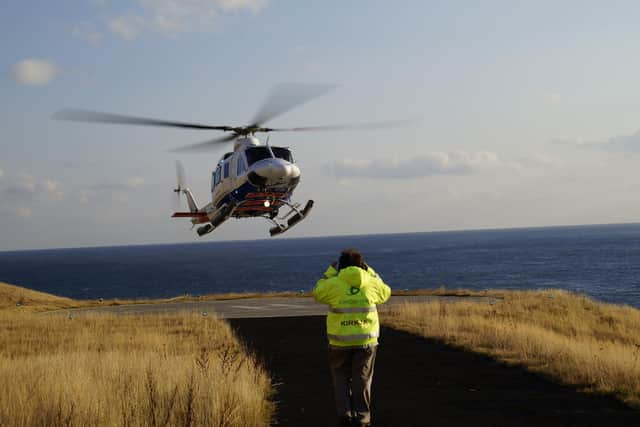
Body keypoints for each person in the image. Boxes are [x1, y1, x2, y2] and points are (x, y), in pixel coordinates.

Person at [313, 248, 391, 427]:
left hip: (339, 341)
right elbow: (386, 292)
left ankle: (345, 415)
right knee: (362, 379)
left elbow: (317, 292)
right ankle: (363, 417)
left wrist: (329, 273)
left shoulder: (333, 283)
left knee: (340, 378)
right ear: (361, 265)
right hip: (366, 341)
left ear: (341, 266)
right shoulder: (370, 282)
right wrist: (370, 271)